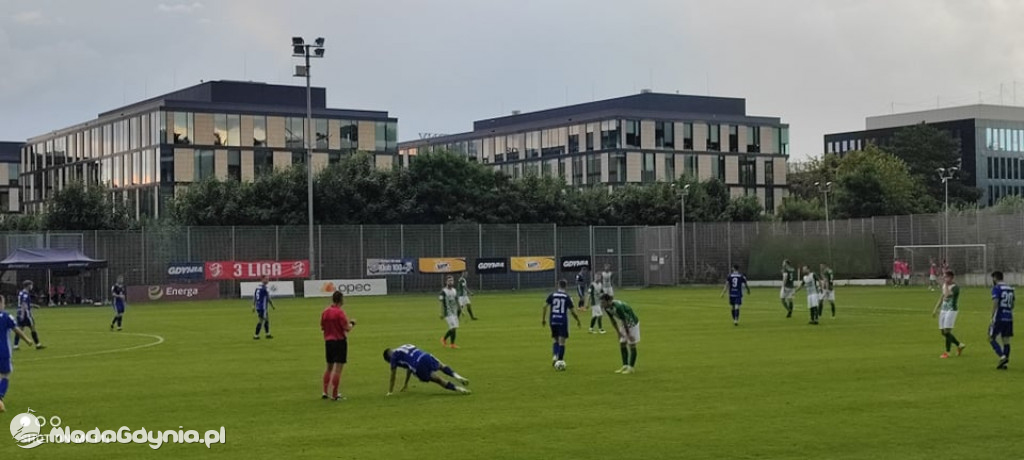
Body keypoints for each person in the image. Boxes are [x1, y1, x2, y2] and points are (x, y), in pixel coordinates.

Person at [383, 344, 470, 395]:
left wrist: (390, 392)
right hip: (425, 356)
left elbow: (393, 376)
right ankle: (457, 376)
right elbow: (409, 368)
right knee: (441, 366)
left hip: (418, 366)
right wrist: (406, 384)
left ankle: (459, 389)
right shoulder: (405, 345)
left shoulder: (393, 358)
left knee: (438, 379)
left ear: (388, 358)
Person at [0, 296, 35, 413]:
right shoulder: (6, 317)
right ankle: (0, 398)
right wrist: (27, 340)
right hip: (3, 352)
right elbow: (17, 330)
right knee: (6, 375)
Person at [321, 291, 355, 400]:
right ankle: (335, 394)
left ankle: (325, 392)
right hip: (339, 342)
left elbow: (322, 326)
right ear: (341, 300)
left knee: (329, 368)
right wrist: (352, 323)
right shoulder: (340, 313)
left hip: (328, 342)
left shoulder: (325, 312)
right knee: (338, 369)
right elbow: (347, 328)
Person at [542, 280, 581, 366]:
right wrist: (577, 320)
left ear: (558, 286)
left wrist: (543, 319)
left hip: (553, 320)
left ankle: (555, 356)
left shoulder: (552, 295)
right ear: (566, 286)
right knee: (562, 342)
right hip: (562, 321)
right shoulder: (567, 297)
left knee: (555, 340)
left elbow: (544, 306)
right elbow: (572, 312)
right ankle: (560, 360)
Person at [600, 294, 639, 374]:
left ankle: (631, 367)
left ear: (608, 301)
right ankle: (625, 365)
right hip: (624, 323)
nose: (602, 304)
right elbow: (613, 320)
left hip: (632, 322)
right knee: (622, 343)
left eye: (603, 302)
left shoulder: (618, 307)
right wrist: (618, 332)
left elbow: (625, 320)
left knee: (632, 343)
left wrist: (628, 335)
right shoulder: (607, 308)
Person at [932, 270, 966, 359]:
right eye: (944, 277)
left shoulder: (955, 288)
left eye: (946, 277)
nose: (944, 278)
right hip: (943, 310)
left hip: (951, 310)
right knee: (943, 332)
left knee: (947, 331)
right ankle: (959, 345)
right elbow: (942, 297)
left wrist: (946, 285)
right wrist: (936, 309)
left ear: (951, 278)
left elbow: (947, 295)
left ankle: (947, 352)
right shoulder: (945, 285)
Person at [988, 271, 1013, 370]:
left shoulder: (997, 288)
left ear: (995, 278)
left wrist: (992, 315)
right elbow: (1013, 304)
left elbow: (996, 302)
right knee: (1006, 340)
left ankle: (1002, 356)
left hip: (999, 317)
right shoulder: (1010, 289)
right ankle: (1005, 363)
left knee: (991, 338)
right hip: (1009, 317)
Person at [13, 281, 43, 350]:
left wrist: (34, 305)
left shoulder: (21, 293)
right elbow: (24, 304)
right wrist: (23, 315)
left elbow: (23, 303)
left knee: (20, 329)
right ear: (28, 286)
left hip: (19, 312)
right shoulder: (25, 294)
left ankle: (15, 345)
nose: (32, 286)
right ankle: (38, 345)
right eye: (31, 285)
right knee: (32, 327)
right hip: (26, 314)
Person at [440, 276, 460, 349]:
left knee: (454, 328)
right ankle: (445, 340)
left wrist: (460, 308)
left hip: (454, 312)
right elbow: (442, 302)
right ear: (446, 282)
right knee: (453, 327)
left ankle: (451, 344)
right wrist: (441, 312)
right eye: (449, 281)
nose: (451, 282)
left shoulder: (454, 290)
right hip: (447, 312)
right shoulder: (443, 291)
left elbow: (456, 299)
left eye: (452, 281)